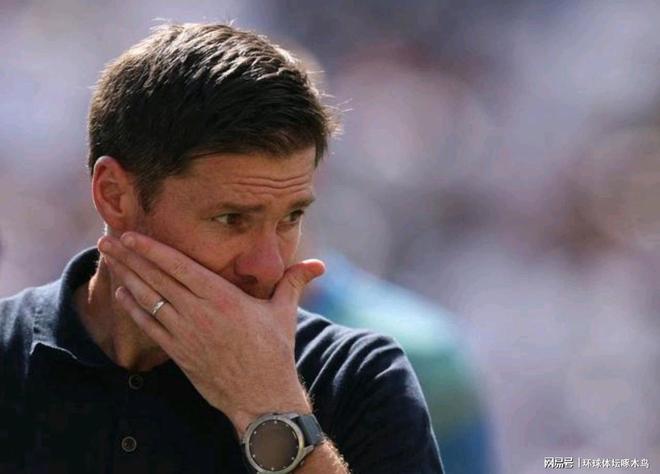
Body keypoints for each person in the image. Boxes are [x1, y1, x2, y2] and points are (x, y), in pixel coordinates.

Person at [0, 23, 443, 473]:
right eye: (231, 219)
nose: (268, 266)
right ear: (114, 195)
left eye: (290, 218)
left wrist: (269, 407)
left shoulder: (360, 377)